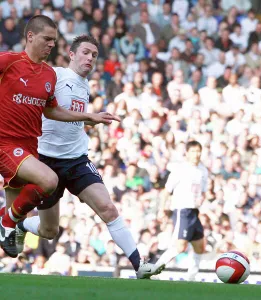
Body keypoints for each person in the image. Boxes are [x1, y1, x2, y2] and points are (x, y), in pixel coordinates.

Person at [14, 35, 164, 279]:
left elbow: (73, 119)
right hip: (46, 162)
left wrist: (88, 122)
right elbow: (50, 112)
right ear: (72, 54)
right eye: (85, 52)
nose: (90, 58)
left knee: (108, 208)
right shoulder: (56, 75)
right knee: (50, 230)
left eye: (94, 55)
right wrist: (89, 117)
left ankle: (140, 266)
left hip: (76, 161)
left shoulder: (85, 85)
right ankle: (21, 225)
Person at [0, 15, 119, 258]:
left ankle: (9, 223)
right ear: (30, 36)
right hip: (5, 143)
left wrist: (89, 117)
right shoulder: (9, 62)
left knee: (15, 245)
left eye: (54, 41)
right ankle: (6, 221)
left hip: (29, 146)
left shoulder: (48, 75)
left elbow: (51, 110)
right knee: (49, 181)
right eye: (47, 39)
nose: (52, 45)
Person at [155, 140, 208, 281]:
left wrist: (202, 198)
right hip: (182, 210)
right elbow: (166, 191)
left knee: (199, 247)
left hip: (194, 212)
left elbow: (203, 192)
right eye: (193, 151)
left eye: (198, 151)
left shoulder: (203, 170)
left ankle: (191, 277)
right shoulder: (180, 169)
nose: (196, 154)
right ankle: (154, 269)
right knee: (179, 246)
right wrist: (161, 209)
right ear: (187, 153)